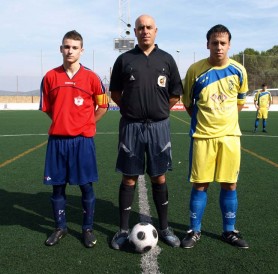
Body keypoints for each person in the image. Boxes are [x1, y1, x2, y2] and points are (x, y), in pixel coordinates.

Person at [109, 14, 183, 250]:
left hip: (159, 128)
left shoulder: (167, 60)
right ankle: (122, 230)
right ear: (136, 32)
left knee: (159, 176)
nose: (145, 31)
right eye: (140, 28)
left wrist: (159, 110)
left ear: (156, 31)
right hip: (131, 127)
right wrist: (132, 111)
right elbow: (116, 94)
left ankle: (164, 228)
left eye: (149, 27)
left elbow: (174, 94)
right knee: (129, 177)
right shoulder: (124, 60)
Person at [181, 24, 249, 249]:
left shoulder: (239, 70)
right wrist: (206, 122)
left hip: (230, 137)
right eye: (214, 43)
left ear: (229, 45)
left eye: (223, 43)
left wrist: (225, 123)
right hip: (202, 137)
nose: (218, 47)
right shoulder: (195, 70)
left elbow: (240, 102)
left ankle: (229, 231)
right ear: (207, 44)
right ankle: (194, 230)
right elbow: (188, 104)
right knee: (200, 184)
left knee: (230, 184)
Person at [40, 30, 109, 248]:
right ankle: (60, 227)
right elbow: (48, 109)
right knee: (57, 188)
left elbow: (103, 105)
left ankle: (87, 228)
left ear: (82, 51)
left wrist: (87, 123)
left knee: (86, 187)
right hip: (58, 142)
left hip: (82, 141)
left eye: (74, 47)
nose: (70, 51)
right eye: (66, 47)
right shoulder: (50, 77)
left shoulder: (92, 78)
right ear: (61, 49)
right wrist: (62, 122)